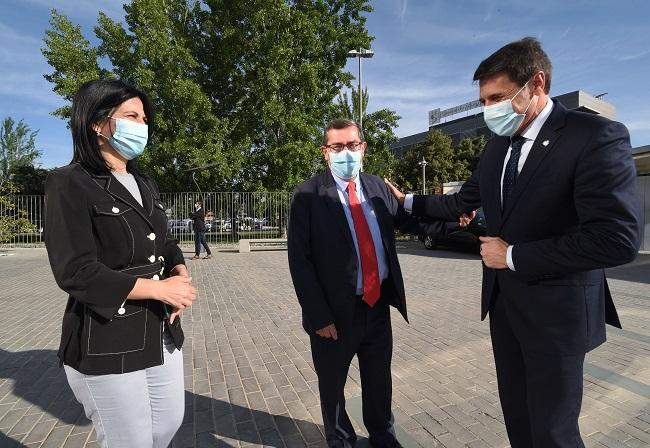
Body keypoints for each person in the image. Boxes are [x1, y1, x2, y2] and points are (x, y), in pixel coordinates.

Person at [386, 37, 641, 447]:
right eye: (484, 101)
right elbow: (462, 202)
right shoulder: (497, 147)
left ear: (536, 83)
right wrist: (407, 201)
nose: (490, 110)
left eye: (499, 97)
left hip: (556, 313)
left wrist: (513, 255)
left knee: (553, 433)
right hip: (505, 309)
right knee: (518, 423)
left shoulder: (593, 136)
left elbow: (617, 239)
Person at [44, 79, 197, 448]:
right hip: (106, 337)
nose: (141, 125)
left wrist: (180, 271)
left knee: (166, 427)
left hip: (160, 331)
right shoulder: (69, 183)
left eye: (144, 118)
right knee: (130, 440)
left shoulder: (144, 182)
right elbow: (76, 271)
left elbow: (164, 241)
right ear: (97, 123)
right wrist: (159, 289)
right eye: (131, 115)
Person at [288, 119, 437, 448]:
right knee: (333, 384)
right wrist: (318, 316)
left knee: (379, 380)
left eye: (352, 145)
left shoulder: (376, 186)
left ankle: (383, 435)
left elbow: (410, 221)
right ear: (326, 153)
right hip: (334, 316)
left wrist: (452, 217)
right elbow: (300, 261)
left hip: (377, 306)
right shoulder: (307, 195)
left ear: (363, 148)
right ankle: (340, 440)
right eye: (337, 147)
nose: (346, 153)